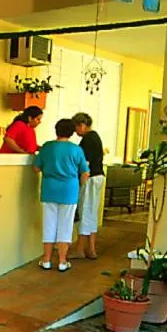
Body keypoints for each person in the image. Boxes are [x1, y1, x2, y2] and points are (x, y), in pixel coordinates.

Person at [34, 118, 89, 272]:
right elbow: (85, 172)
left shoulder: (47, 147)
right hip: (69, 191)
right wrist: (79, 185)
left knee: (49, 224)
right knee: (66, 225)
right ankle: (62, 262)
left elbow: (36, 168)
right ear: (72, 133)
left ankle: (46, 260)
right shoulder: (76, 150)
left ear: (56, 130)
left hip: (49, 190)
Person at [72, 112, 105, 260]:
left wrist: (80, 181)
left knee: (84, 212)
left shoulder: (88, 139)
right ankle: (91, 249)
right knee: (91, 213)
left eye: (76, 128)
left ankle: (80, 249)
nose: (75, 132)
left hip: (90, 178)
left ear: (82, 125)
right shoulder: (95, 137)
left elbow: (85, 164)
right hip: (98, 177)